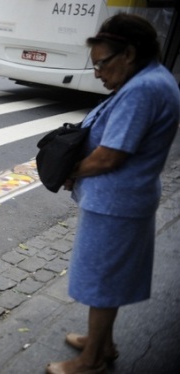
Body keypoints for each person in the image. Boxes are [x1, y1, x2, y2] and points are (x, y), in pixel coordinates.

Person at [46, 13, 180, 374]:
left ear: (129, 53)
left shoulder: (143, 90)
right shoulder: (150, 80)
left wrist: (69, 170)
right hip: (121, 201)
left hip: (116, 204)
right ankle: (101, 342)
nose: (98, 73)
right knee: (107, 277)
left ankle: (92, 362)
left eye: (102, 63)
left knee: (102, 282)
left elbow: (108, 157)